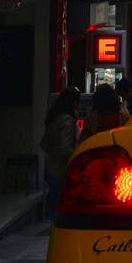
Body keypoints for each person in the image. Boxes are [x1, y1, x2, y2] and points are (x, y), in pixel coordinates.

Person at [40, 86, 80, 217]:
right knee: (60, 207)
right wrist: (77, 157)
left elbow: (44, 144)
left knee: (53, 204)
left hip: (51, 167)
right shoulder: (68, 121)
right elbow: (65, 148)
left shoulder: (53, 117)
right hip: (62, 169)